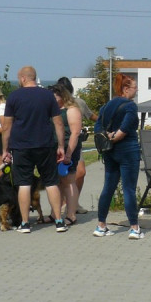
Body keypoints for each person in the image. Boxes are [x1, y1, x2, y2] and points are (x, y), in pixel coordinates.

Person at [0, 66, 66, 233]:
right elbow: (58, 123)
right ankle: (59, 221)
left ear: (23, 78)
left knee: (24, 184)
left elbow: (6, 126)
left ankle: (25, 223)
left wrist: (5, 150)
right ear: (34, 78)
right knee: (51, 182)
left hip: (21, 146)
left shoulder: (14, 97)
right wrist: (60, 146)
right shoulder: (47, 96)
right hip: (45, 145)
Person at [94, 73, 144, 240]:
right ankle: (134, 227)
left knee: (108, 187)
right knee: (129, 189)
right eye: (135, 88)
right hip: (128, 150)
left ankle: (101, 225)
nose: (136, 91)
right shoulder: (130, 106)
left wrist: (107, 137)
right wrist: (114, 136)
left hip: (109, 152)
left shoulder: (106, 106)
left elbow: (97, 127)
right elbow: (123, 130)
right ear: (126, 89)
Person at [57, 77, 92, 214]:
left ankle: (74, 202)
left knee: (80, 172)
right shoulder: (56, 105)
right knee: (61, 177)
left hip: (75, 143)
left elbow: (91, 115)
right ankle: (64, 204)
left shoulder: (79, 103)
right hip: (60, 144)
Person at [50, 83, 82, 226]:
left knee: (68, 181)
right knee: (56, 182)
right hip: (54, 149)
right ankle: (54, 213)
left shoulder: (72, 110)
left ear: (62, 96)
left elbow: (75, 133)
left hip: (69, 148)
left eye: (54, 96)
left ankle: (71, 214)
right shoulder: (53, 109)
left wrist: (68, 154)